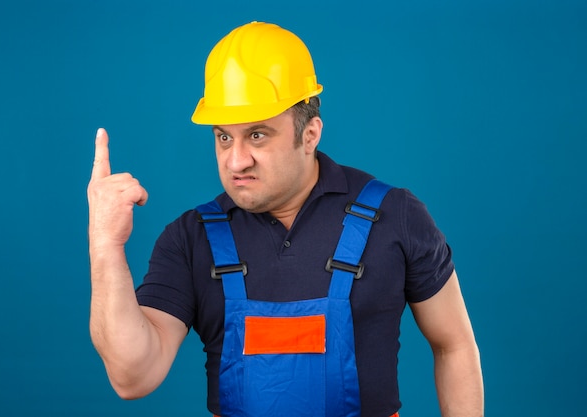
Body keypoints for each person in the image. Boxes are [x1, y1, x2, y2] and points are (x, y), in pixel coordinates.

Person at [87, 21, 484, 417]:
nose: (236, 160)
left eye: (257, 135)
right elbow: (132, 377)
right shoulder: (191, 239)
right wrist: (105, 245)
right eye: (224, 136)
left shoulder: (395, 216)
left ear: (310, 134)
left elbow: (455, 344)